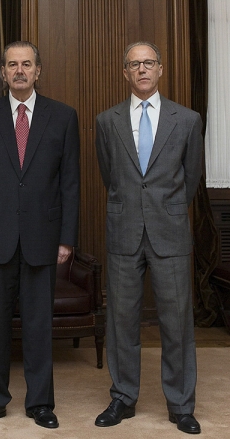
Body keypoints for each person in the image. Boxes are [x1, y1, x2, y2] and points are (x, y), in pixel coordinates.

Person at [0, 41, 80, 429]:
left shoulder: (63, 117)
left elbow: (70, 185)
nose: (19, 71)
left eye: (26, 64)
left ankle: (40, 403)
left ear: (38, 70)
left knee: (38, 326)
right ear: (3, 72)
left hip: (43, 237)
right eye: (12, 64)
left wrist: (67, 238)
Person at [94, 41, 203, 435]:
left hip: (170, 232)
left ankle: (180, 405)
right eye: (134, 64)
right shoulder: (107, 122)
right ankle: (123, 397)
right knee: (121, 322)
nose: (142, 70)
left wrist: (166, 209)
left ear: (160, 69)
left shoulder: (187, 120)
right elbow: (111, 177)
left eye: (148, 63)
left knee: (177, 323)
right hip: (124, 231)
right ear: (125, 73)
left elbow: (191, 178)